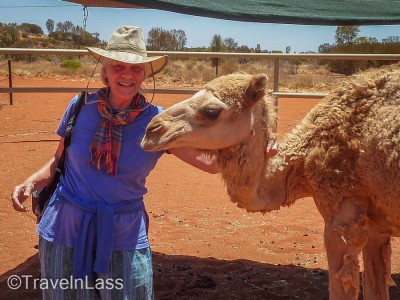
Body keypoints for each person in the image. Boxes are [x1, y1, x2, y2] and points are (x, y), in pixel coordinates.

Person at [11, 25, 277, 299]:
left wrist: (258, 148)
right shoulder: (79, 107)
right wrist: (31, 181)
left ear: (145, 74)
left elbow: (211, 164)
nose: (127, 75)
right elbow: (58, 160)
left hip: (122, 233)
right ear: (105, 70)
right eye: (118, 66)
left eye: (136, 68)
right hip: (64, 228)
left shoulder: (158, 123)